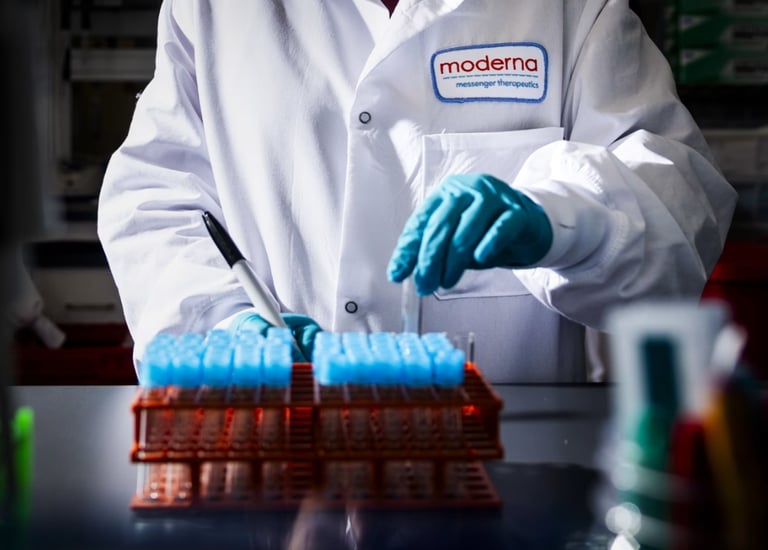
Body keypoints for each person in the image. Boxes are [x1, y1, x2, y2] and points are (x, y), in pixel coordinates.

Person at [98, 0, 736, 383]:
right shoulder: (214, 9)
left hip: (507, 463)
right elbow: (154, 197)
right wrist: (221, 323)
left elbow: (676, 189)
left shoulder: (571, 8)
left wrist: (566, 220)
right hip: (282, 457)